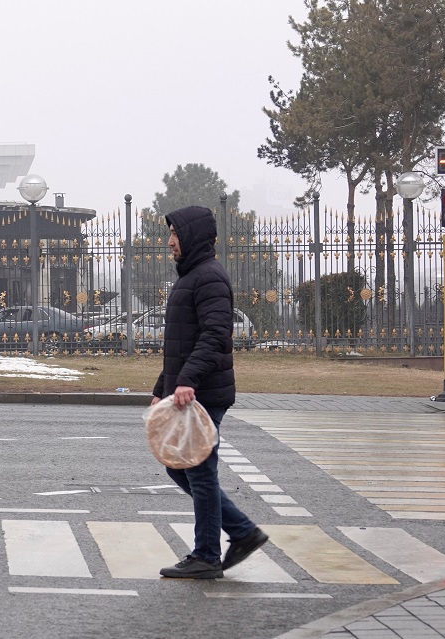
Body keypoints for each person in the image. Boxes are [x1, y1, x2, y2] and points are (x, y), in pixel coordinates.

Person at [152, 205, 268, 579]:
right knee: (180, 467)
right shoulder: (193, 276)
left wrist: (186, 382)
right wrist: (162, 387)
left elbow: (215, 335)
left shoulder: (209, 277)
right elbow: (180, 344)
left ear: (192, 237)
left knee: (199, 474)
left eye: (174, 235)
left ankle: (207, 555)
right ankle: (242, 532)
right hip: (190, 389)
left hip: (204, 392)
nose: (170, 242)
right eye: (169, 235)